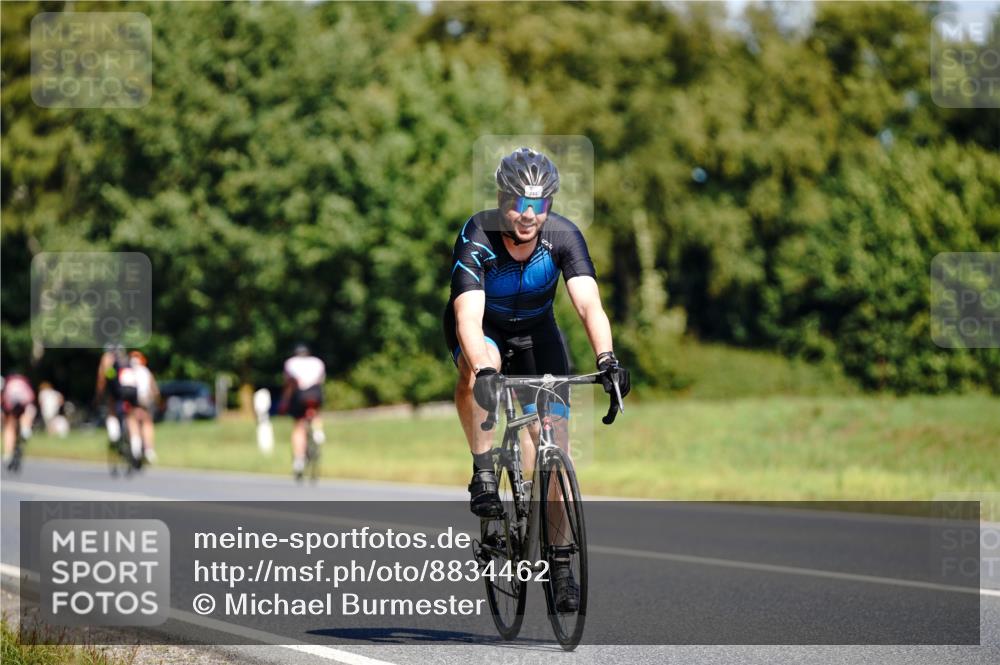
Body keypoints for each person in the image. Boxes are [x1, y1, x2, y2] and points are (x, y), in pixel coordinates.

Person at [443, 147, 631, 612]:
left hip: (535, 335)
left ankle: (561, 564)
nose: (528, 216)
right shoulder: (478, 234)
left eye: (539, 205)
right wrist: (486, 369)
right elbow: (468, 315)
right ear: (502, 198)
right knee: (479, 365)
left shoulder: (563, 237)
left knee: (553, 448)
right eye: (518, 204)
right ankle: (483, 470)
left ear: (550, 205)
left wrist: (607, 358)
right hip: (484, 329)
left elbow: (588, 304)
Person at [278, 344, 326, 480]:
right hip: (315, 393)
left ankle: (298, 460)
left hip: (300, 394)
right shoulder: (317, 362)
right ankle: (318, 431)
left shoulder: (290, 363)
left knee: (298, 425)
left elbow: (289, 385)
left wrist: (284, 402)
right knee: (315, 412)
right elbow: (321, 381)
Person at [129, 351, 160, 463]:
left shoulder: (127, 371)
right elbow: (155, 390)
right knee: (147, 423)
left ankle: (135, 448)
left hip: (131, 401)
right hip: (145, 400)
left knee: (132, 421)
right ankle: (149, 449)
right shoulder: (146, 372)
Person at [2, 372, 36, 469]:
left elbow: (4, 399)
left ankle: (7, 453)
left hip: (11, 400)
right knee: (26, 414)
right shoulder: (24, 381)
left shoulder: (8, 381)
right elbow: (31, 399)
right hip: (26, 400)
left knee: (9, 427)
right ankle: (26, 429)